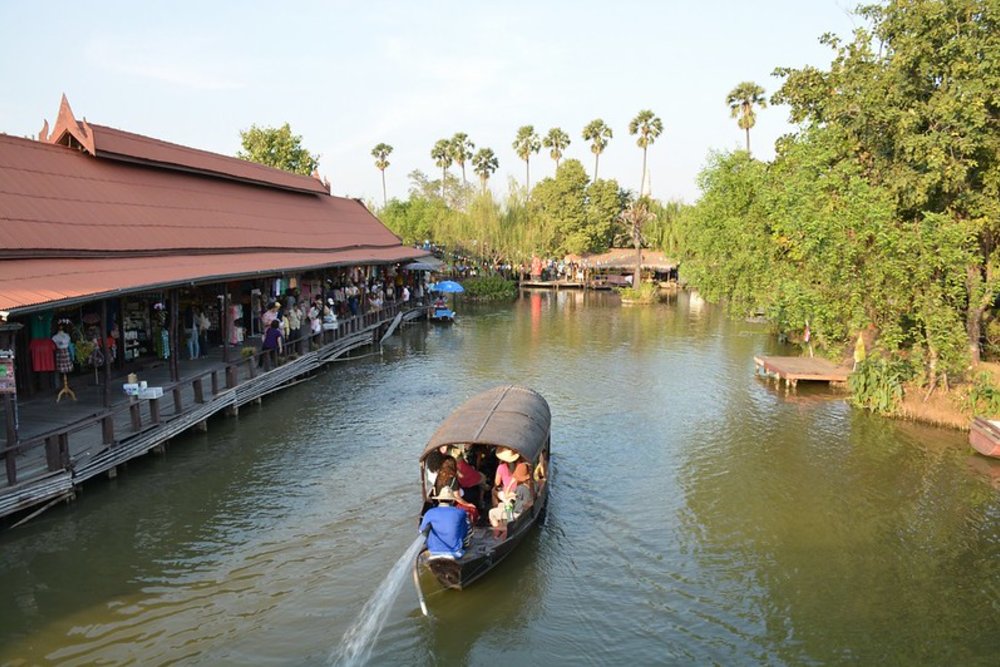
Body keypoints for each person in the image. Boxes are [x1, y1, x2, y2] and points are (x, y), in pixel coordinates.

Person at [419, 487, 470, 559]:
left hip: (433, 551)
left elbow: (422, 531)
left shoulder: (430, 512)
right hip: (456, 553)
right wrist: (466, 546)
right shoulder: (461, 512)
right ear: (453, 501)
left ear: (439, 500)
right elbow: (468, 531)